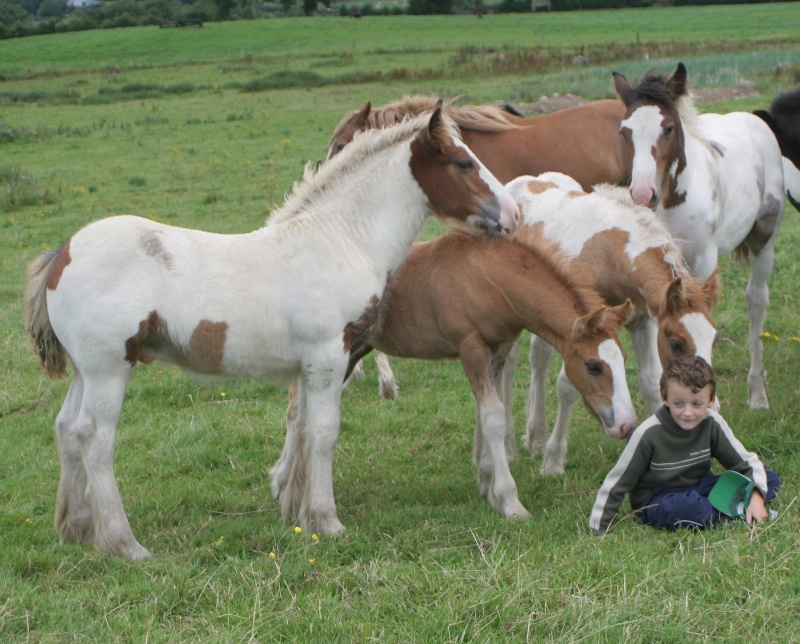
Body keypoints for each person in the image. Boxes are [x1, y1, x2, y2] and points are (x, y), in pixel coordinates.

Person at [589, 356, 780, 534]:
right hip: (658, 498)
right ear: (665, 398)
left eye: (697, 404)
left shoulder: (712, 423)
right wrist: (599, 527)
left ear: (711, 401)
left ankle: (742, 507)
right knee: (688, 508)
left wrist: (756, 496)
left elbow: (744, 462)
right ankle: (733, 515)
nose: (687, 412)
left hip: (701, 486)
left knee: (768, 477)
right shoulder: (648, 433)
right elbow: (618, 481)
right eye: (678, 403)